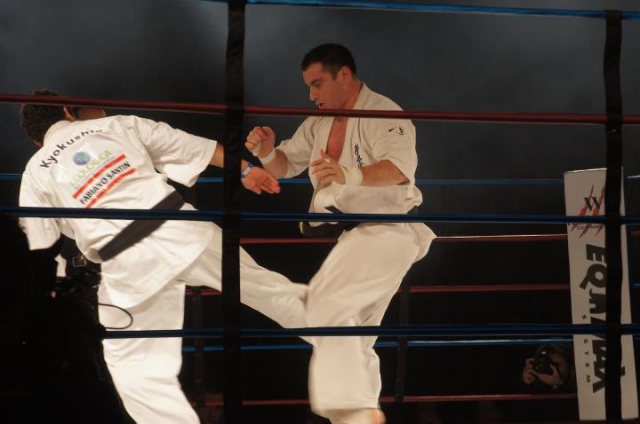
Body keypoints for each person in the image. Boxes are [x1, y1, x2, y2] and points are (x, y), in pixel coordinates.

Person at [18, 90, 309, 424]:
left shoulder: (35, 172)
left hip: (127, 266)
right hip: (181, 228)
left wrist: (51, 299)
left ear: (37, 141)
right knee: (268, 290)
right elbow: (185, 145)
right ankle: (345, 336)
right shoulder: (116, 124)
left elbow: (40, 250)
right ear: (68, 111)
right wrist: (245, 169)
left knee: (134, 369)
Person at [245, 43, 436, 424]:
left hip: (389, 230)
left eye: (317, 84)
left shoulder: (383, 113)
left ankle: (355, 410)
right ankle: (358, 413)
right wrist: (266, 153)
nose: (311, 95)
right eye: (308, 86)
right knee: (354, 337)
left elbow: (400, 169)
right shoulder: (318, 123)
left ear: (344, 75)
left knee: (324, 311)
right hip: (355, 235)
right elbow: (285, 165)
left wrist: (350, 174)